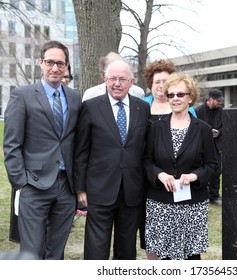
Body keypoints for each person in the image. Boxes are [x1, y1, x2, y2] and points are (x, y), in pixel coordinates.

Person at [3, 40, 82, 259]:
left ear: (66, 66)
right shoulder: (23, 95)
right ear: (41, 63)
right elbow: (11, 143)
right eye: (50, 62)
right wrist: (20, 181)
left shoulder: (75, 98)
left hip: (66, 187)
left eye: (60, 63)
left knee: (56, 252)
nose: (55, 68)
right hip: (34, 185)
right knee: (32, 252)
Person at [73, 60, 151, 260]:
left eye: (122, 79)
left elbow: (145, 150)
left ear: (131, 82)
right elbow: (81, 150)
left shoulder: (142, 108)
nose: (117, 83)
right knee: (96, 250)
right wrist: (80, 188)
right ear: (105, 80)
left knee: (126, 250)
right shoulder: (90, 107)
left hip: (132, 191)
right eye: (112, 78)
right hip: (99, 190)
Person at [143, 72, 218, 260]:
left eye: (180, 94)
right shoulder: (156, 128)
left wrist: (194, 176)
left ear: (190, 97)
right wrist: (159, 175)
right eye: (171, 95)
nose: (175, 99)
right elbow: (146, 161)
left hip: (192, 205)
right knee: (163, 259)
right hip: (161, 204)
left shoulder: (203, 130)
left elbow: (212, 166)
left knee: (190, 258)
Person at [195, 88, 223, 206]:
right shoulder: (198, 111)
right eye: (218, 101)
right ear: (210, 99)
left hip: (216, 146)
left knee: (217, 171)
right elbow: (194, 127)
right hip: (202, 146)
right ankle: (204, 195)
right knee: (203, 171)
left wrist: (219, 132)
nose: (220, 103)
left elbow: (225, 125)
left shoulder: (221, 110)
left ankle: (214, 196)